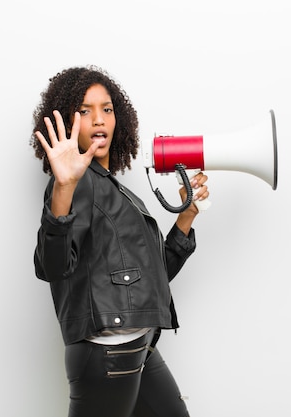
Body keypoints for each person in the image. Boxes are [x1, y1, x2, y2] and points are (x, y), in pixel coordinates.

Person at [30, 65, 209, 417]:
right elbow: (51, 266)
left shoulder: (113, 189)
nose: (99, 120)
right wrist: (63, 187)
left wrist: (186, 217)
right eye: (85, 111)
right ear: (69, 125)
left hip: (137, 346)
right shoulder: (75, 185)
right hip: (109, 353)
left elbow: (149, 281)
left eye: (107, 109)